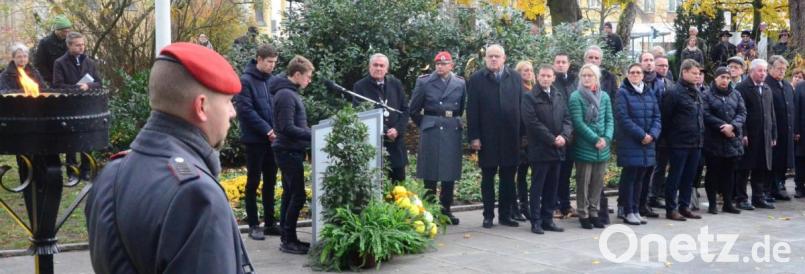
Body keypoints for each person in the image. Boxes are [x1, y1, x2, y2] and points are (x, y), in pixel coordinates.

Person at [85, 42, 251, 273]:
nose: (233, 112)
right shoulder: (197, 195)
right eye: (227, 101)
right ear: (201, 106)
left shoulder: (111, 174)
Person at [467, 44, 523, 228]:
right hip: (487, 137)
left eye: (496, 56)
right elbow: (472, 110)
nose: (493, 59)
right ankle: (488, 215)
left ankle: (505, 215)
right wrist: (474, 137)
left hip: (511, 137)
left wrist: (523, 135)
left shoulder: (515, 77)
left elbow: (521, 105)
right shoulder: (477, 79)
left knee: (508, 179)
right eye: (490, 56)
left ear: (504, 58)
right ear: (485, 58)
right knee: (488, 178)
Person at [409, 51, 465, 225]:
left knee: (449, 172)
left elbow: (461, 108)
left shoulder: (460, 83)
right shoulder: (424, 82)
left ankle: (446, 210)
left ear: (451, 65)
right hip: (431, 129)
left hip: (451, 128)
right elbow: (413, 109)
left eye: (444, 64)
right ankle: (430, 210)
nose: (440, 67)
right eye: (438, 64)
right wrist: (426, 124)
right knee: (430, 172)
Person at [270, 55, 315, 254]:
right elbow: (286, 127)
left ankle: (288, 238)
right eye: (308, 76)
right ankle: (288, 240)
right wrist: (313, 134)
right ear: (297, 74)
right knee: (298, 195)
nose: (309, 80)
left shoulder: (288, 93)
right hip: (287, 151)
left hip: (290, 150)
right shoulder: (286, 95)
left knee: (290, 194)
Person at [235, 44, 280, 240]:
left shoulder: (272, 81)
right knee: (253, 182)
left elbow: (276, 107)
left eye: (274, 62)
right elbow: (245, 110)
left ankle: (270, 223)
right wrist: (267, 130)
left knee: (270, 181)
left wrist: (277, 129)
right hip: (255, 140)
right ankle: (253, 224)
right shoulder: (245, 81)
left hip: (272, 140)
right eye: (269, 62)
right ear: (259, 59)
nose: (272, 65)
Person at [521, 64, 571, 234]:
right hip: (540, 149)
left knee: (552, 186)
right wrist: (552, 139)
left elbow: (567, 119)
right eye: (542, 75)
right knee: (538, 187)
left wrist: (564, 136)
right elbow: (532, 123)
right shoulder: (529, 97)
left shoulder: (558, 95)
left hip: (558, 149)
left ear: (553, 78)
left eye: (549, 76)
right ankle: (536, 221)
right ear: (538, 76)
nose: (545, 78)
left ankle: (548, 219)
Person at [568, 63, 613, 229]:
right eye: (584, 75)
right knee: (583, 182)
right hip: (585, 146)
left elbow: (609, 119)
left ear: (596, 78)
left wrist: (606, 138)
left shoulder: (604, 96)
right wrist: (595, 139)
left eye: (590, 75)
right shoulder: (576, 96)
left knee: (597, 183)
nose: (586, 78)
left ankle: (594, 212)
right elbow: (578, 123)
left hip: (603, 147)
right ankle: (583, 213)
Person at [615, 63, 661, 225]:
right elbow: (623, 118)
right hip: (631, 142)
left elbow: (657, 116)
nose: (635, 75)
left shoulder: (649, 92)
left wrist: (652, 135)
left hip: (647, 143)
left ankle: (636, 210)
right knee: (630, 178)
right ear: (627, 74)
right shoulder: (622, 93)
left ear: (642, 75)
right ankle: (628, 211)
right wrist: (641, 135)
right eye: (632, 72)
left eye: (638, 72)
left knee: (640, 178)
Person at [53, 31, 102, 181]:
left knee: (86, 138)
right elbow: (57, 85)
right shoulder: (60, 63)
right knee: (71, 140)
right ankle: (72, 171)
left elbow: (99, 82)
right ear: (69, 46)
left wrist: (88, 86)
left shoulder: (90, 62)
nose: (81, 47)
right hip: (69, 106)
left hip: (87, 106)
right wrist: (77, 88)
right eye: (78, 45)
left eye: (83, 44)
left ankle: (86, 169)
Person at [353, 53, 409, 182]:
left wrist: (397, 129)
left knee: (399, 184)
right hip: (374, 143)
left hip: (396, 142)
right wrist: (385, 131)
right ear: (369, 67)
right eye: (375, 65)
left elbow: (405, 110)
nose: (378, 68)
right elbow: (361, 115)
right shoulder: (360, 86)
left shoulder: (395, 83)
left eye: (382, 66)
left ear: (387, 69)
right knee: (377, 183)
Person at [661, 59, 705, 221]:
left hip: (696, 141)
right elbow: (665, 118)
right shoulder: (673, 92)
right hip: (678, 142)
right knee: (675, 176)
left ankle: (684, 206)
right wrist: (667, 141)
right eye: (694, 73)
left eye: (698, 73)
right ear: (684, 72)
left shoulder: (696, 91)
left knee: (689, 176)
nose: (697, 76)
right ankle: (671, 209)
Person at [702, 67, 746, 214]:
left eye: (727, 78)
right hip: (714, 140)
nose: (725, 80)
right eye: (722, 77)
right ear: (715, 78)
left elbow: (742, 113)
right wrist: (723, 126)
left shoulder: (736, 94)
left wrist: (732, 126)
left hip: (732, 139)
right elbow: (705, 114)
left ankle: (728, 203)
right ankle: (712, 204)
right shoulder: (706, 94)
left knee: (729, 173)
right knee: (713, 173)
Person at [735, 59, 776, 210]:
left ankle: (758, 197)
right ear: (751, 71)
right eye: (760, 70)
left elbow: (771, 113)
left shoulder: (767, 88)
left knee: (761, 166)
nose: (763, 73)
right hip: (749, 136)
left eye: (765, 71)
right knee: (744, 168)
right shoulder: (742, 88)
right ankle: (741, 199)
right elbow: (740, 112)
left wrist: (773, 134)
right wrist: (743, 133)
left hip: (764, 135)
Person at [583, 45, 616, 225]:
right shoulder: (581, 79)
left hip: (603, 134)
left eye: (596, 58)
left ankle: (598, 211)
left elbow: (613, 105)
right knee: (585, 179)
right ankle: (587, 212)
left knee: (598, 178)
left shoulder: (609, 78)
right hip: (585, 136)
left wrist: (607, 136)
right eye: (590, 57)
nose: (593, 60)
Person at [766, 55, 794, 201]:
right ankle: (770, 188)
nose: (782, 71)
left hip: (787, 130)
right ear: (770, 68)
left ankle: (780, 186)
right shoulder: (766, 85)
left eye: (784, 69)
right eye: (779, 68)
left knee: (783, 160)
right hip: (772, 130)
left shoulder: (787, 85)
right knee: (773, 160)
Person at [553, 53, 577, 218]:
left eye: (563, 62)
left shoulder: (574, 82)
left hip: (571, 135)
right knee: (555, 172)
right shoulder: (551, 81)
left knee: (566, 172)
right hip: (556, 134)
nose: (561, 64)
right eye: (558, 62)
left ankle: (565, 204)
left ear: (569, 64)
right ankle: (553, 205)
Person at [512, 60, 535, 222]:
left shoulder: (534, 89)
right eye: (524, 70)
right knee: (519, 175)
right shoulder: (517, 89)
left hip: (533, 140)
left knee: (528, 175)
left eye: (530, 70)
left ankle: (527, 206)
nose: (528, 73)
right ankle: (518, 206)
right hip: (520, 139)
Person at [34, 14, 71, 85]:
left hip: (69, 81)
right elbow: (40, 64)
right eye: (63, 31)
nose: (66, 34)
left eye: (68, 31)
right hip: (52, 81)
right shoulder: (45, 43)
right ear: (56, 30)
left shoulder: (70, 41)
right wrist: (52, 79)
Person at [795, 79, 805, 198]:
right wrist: (796, 130)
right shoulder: (800, 86)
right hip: (802, 131)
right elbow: (796, 109)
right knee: (800, 160)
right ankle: (799, 187)